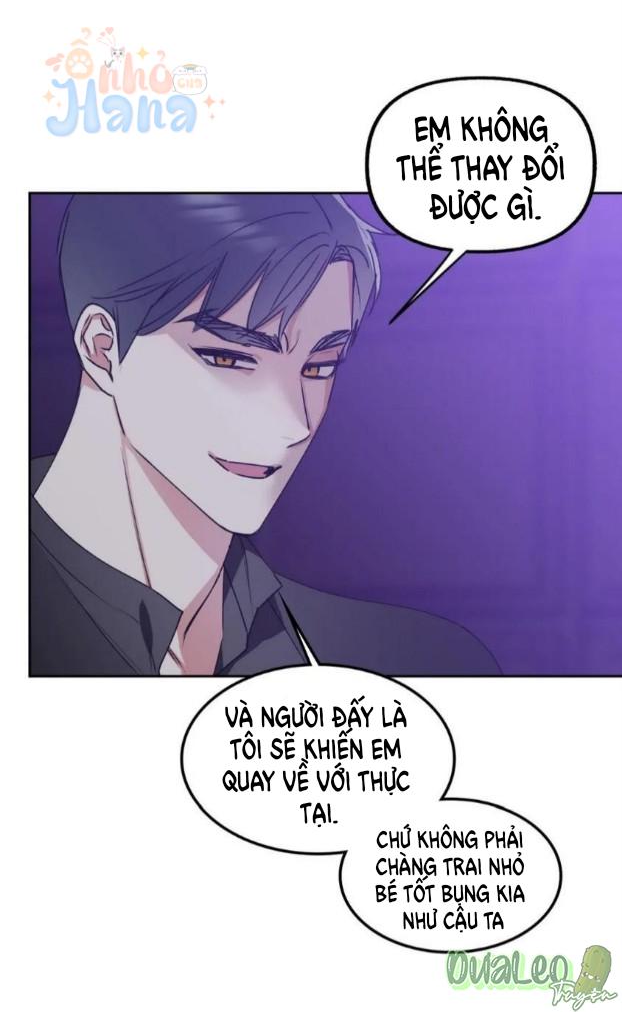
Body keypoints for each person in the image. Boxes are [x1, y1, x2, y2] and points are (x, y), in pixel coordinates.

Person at [30, 192, 497, 679]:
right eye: (230, 358)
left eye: (319, 366)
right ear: (102, 349)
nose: (294, 423)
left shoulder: (420, 664)